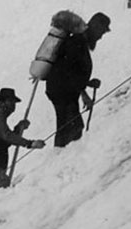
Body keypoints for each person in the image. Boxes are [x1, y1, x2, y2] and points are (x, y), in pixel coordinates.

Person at [45, 12, 111, 147]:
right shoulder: (77, 42)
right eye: (102, 32)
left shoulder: (80, 41)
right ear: (95, 26)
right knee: (71, 128)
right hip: (62, 91)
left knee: (69, 127)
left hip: (62, 90)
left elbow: (73, 71)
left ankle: (61, 157)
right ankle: (60, 159)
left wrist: (87, 83)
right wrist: (84, 93)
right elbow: (67, 70)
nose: (100, 37)